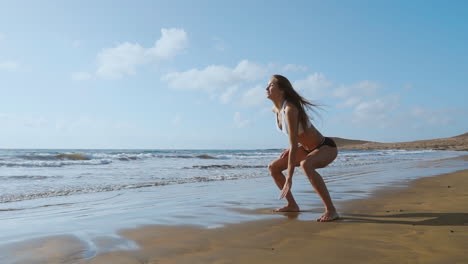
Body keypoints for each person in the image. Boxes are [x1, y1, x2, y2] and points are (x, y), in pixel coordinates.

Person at [266, 74, 339, 222]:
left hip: (325, 147)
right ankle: (292, 205)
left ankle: (331, 210)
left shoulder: (290, 109)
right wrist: (295, 147)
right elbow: (297, 139)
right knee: (273, 167)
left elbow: (293, 143)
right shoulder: (276, 110)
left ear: (282, 90)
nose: (266, 88)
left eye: (271, 85)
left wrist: (289, 178)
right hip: (306, 149)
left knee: (307, 165)